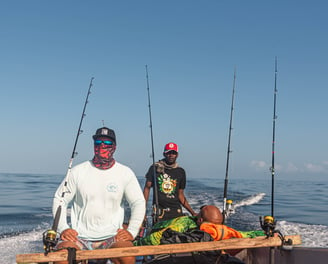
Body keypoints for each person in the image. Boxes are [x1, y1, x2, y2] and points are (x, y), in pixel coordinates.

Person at [52, 127, 146, 264]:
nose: (102, 146)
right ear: (94, 145)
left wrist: (132, 231)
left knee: (127, 257)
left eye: (107, 143)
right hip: (79, 238)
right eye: (98, 142)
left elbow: (138, 202)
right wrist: (63, 228)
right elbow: (59, 199)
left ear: (114, 147)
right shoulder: (77, 172)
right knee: (61, 259)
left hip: (113, 237)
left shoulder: (125, 173)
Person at [134, 205, 264, 246]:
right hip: (157, 230)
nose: (215, 230)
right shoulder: (183, 224)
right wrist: (136, 245)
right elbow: (155, 238)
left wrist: (264, 234)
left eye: (218, 227)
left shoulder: (218, 229)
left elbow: (245, 234)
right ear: (200, 221)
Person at [143, 142, 196, 223]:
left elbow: (180, 195)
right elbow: (147, 189)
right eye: (168, 153)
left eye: (173, 153)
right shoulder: (155, 168)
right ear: (164, 154)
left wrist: (192, 212)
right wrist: (142, 212)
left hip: (176, 212)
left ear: (177, 155)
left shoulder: (181, 172)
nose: (171, 155)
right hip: (160, 213)